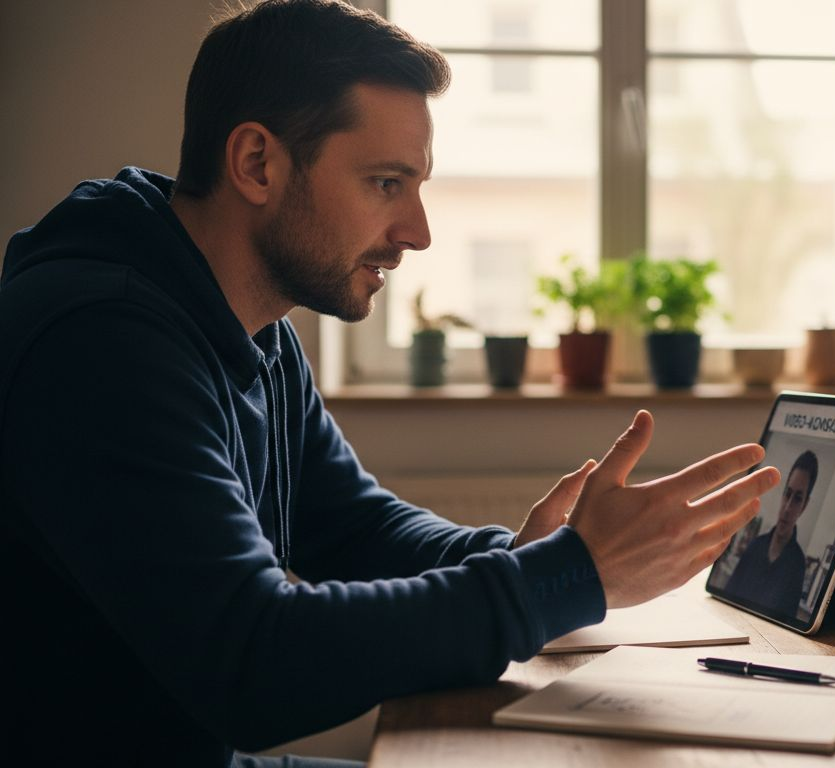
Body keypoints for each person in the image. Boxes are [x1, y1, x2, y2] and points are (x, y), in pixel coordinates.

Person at [0, 2, 780, 766]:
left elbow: (352, 528)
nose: (418, 231)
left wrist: (532, 553)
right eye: (384, 183)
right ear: (256, 164)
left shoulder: (249, 324)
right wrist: (567, 577)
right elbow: (253, 664)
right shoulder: (100, 341)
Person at [724, 450, 820, 618]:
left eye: (797, 499)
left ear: (804, 506)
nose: (788, 507)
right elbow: (727, 596)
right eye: (787, 494)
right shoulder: (755, 546)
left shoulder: (797, 566)